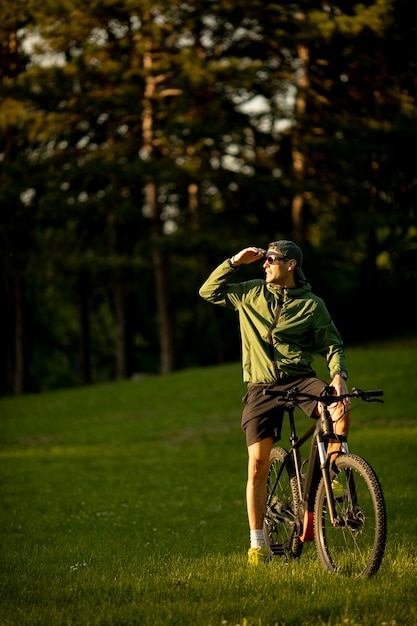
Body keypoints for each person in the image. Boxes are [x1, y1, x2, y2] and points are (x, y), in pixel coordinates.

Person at [199, 240, 351, 566]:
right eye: (264, 260)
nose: (265, 264)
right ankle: (257, 544)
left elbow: (332, 344)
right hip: (261, 387)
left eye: (271, 260)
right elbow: (207, 291)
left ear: (291, 264)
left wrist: (338, 376)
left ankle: (332, 474)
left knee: (340, 406)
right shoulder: (250, 293)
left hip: (300, 378)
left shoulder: (312, 305)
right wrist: (234, 261)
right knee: (257, 464)